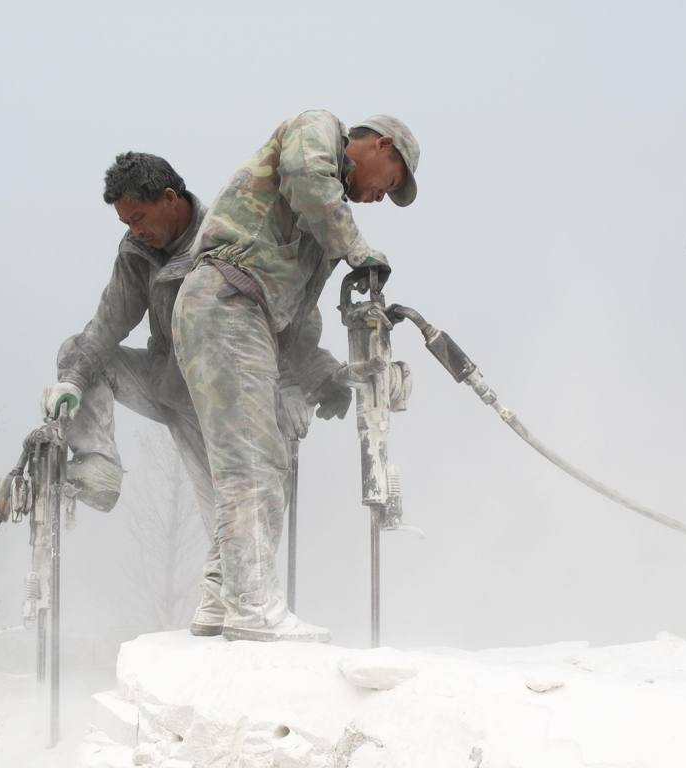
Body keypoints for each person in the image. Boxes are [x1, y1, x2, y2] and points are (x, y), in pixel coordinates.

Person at [40, 152, 350, 634]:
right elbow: (109, 322)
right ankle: (98, 464)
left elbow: (289, 316)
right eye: (126, 221)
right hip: (167, 380)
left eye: (139, 218)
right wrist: (73, 381)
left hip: (224, 395)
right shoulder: (136, 252)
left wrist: (306, 381)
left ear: (170, 199)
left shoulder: (228, 238)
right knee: (78, 351)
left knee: (237, 501)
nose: (134, 229)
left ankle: (222, 606)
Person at [171, 111, 420, 642]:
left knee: (257, 458)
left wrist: (326, 376)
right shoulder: (318, 131)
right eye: (390, 182)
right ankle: (253, 606)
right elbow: (309, 181)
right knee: (254, 461)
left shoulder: (315, 228)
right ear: (380, 145)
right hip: (226, 302)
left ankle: (222, 597)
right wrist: (358, 251)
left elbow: (298, 321)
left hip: (244, 315)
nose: (380, 197)